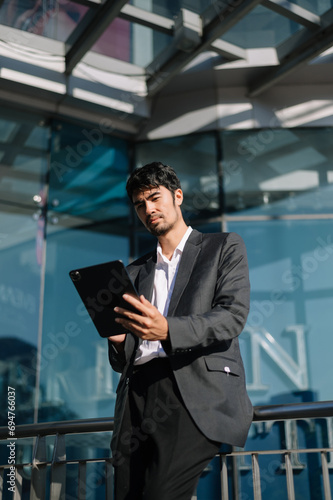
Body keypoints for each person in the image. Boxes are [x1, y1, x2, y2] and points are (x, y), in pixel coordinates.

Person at [107, 162, 253, 500]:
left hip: (190, 391)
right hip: (136, 396)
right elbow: (123, 360)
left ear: (178, 196)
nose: (149, 210)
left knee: (161, 494)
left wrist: (167, 329)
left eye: (155, 198)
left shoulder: (223, 247)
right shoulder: (133, 271)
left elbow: (232, 316)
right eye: (140, 204)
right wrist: (118, 343)